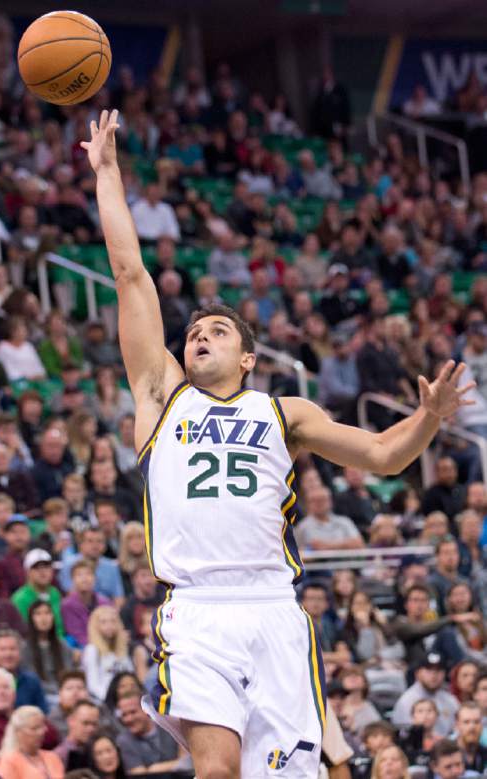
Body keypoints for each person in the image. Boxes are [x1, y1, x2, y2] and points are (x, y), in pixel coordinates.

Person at [81, 108, 476, 779]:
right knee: (218, 769)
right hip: (197, 607)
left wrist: (429, 416)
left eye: (217, 331)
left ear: (247, 357)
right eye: (193, 332)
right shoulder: (160, 395)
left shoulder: (283, 410)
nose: (198, 336)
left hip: (272, 606)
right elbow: (129, 273)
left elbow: (384, 455)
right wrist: (109, 174)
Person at [391, 652, 459, 736]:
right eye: (429, 669)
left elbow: (457, 730)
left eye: (438, 670)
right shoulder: (406, 701)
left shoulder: (450, 699)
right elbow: (403, 734)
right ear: (417, 673)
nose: (434, 675)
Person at [21, 601, 74, 705]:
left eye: (47, 613)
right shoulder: (25, 648)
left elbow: (68, 673)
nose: (43, 618)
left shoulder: (62, 645)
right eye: (38, 614)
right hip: (42, 695)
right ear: (31, 619)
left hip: (64, 692)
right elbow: (32, 679)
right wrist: (59, 691)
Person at [116, 694, 180, 774]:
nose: (129, 719)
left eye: (133, 712)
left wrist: (154, 769)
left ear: (146, 710)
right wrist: (175, 764)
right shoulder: (124, 740)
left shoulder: (168, 724)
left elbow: (188, 762)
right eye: (124, 715)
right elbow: (138, 774)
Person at [0, 705, 64, 778]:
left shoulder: (53, 757)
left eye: (42, 726)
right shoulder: (8, 762)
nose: (41, 732)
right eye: (34, 728)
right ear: (18, 733)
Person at [59, 528, 124, 604]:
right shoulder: (69, 564)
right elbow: (70, 595)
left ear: (105, 545)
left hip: (107, 611)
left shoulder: (112, 567)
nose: (95, 545)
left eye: (99, 541)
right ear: (81, 545)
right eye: (90, 541)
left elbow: (119, 598)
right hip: (79, 609)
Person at [81, 605, 133, 700]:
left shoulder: (122, 648)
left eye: (113, 621)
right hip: (104, 700)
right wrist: (111, 700)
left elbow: (131, 675)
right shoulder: (92, 650)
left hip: (125, 698)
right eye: (103, 622)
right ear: (95, 625)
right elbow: (92, 685)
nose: (109, 625)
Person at [294, 486, 365, 551]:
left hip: (349, 564)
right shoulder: (302, 527)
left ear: (330, 501)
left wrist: (325, 546)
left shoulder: (344, 521)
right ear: (308, 504)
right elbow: (295, 552)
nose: (319, 504)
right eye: (314, 501)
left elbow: (359, 544)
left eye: (322, 500)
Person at [11, 549, 64, 635]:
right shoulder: (19, 599)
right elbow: (23, 631)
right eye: (36, 568)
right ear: (27, 572)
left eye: (46, 566)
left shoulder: (55, 593)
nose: (42, 571)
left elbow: (60, 626)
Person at [61, 559, 110, 649]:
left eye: (88, 574)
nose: (84, 579)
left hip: (106, 645)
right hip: (83, 649)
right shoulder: (67, 605)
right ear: (73, 580)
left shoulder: (105, 603)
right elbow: (77, 635)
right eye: (79, 575)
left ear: (95, 578)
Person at [55, 700, 100, 772]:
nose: (91, 729)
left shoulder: (97, 752)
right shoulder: (60, 755)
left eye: (94, 724)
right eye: (85, 723)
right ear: (70, 721)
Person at [0, 517, 30, 598]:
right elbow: (3, 595)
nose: (19, 536)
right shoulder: (1, 563)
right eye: (14, 532)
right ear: (5, 535)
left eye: (23, 531)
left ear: (29, 534)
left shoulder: (36, 558)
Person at [48, 670, 88, 739]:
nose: (75, 692)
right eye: (69, 688)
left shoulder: (99, 712)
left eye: (80, 688)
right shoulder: (52, 721)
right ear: (60, 693)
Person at [455, 701, 487, 774]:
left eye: (476, 722)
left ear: (482, 725)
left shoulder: (485, 752)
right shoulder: (446, 754)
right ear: (457, 725)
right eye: (466, 722)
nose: (472, 727)